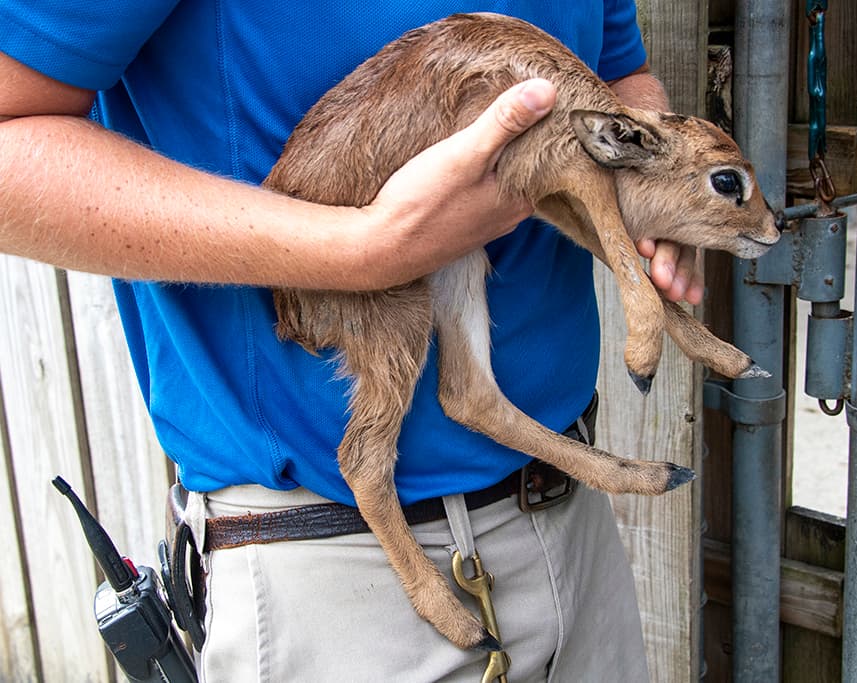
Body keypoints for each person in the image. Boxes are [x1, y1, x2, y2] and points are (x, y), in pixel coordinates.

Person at [0, 2, 703, 680]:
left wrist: (662, 194)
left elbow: (617, 73)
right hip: (340, 579)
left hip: (577, 529)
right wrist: (365, 249)